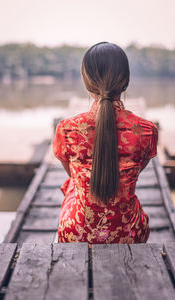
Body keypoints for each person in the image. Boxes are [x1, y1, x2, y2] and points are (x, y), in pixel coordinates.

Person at [53, 42, 158, 244]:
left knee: (72, 185)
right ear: (125, 81)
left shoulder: (67, 129)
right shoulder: (146, 131)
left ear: (87, 82)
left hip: (76, 232)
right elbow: (137, 171)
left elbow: (72, 174)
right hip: (128, 233)